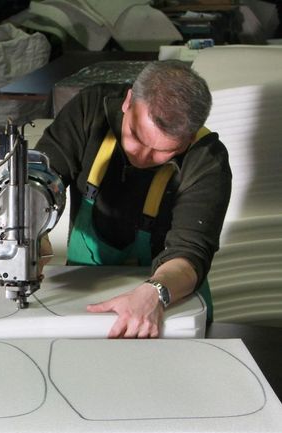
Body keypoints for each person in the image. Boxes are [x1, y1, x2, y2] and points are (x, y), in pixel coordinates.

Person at [35, 60, 232, 338]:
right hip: (86, 292)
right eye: (136, 137)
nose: (142, 156)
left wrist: (156, 292)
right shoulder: (91, 110)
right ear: (128, 101)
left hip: (171, 299)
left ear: (188, 138)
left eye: (163, 151)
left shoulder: (207, 160)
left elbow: (190, 253)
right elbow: (43, 172)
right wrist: (33, 225)